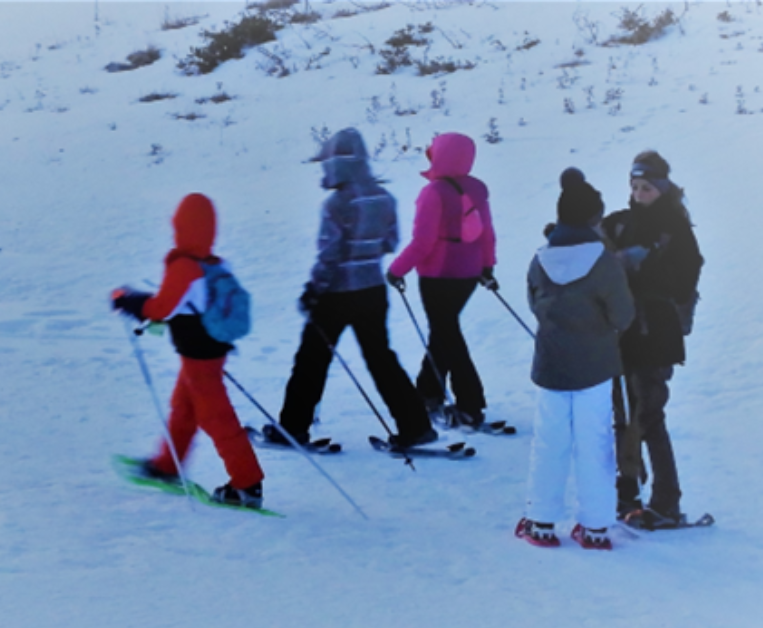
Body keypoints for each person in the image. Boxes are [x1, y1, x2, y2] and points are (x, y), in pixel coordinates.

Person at [268, 127, 436, 451]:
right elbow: (390, 241)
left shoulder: (336, 204)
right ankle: (416, 425)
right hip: (372, 289)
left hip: (336, 294)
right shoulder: (385, 198)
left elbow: (329, 253)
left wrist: (313, 289)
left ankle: (292, 428)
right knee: (381, 358)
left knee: (312, 360)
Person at [111, 193, 265, 509]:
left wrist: (127, 301)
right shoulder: (213, 264)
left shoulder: (184, 267)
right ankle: (168, 466)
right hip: (208, 351)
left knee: (216, 418)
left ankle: (247, 485)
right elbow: (177, 301)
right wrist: (137, 298)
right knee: (183, 409)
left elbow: (159, 309)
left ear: (182, 226)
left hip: (199, 356)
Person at [515, 168, 634, 550]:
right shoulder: (603, 261)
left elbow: (536, 303)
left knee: (549, 441)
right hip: (596, 366)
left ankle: (541, 521)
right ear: (593, 218)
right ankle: (596, 527)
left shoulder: (540, 258)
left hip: (551, 363)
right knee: (595, 442)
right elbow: (622, 315)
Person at [601, 151, 703, 530]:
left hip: (657, 332)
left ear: (661, 188)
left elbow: (684, 283)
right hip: (621, 333)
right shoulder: (619, 223)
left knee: (650, 416)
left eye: (646, 187)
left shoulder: (676, 229)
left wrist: (643, 272)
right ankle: (626, 494)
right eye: (634, 186)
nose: (639, 193)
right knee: (621, 417)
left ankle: (666, 502)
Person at [386, 132, 497, 429]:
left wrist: (396, 270)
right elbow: (487, 232)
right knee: (443, 333)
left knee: (447, 335)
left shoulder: (433, 193)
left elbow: (422, 242)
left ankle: (470, 405)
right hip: (469, 274)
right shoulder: (477, 189)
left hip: (438, 274)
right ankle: (428, 393)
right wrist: (487, 266)